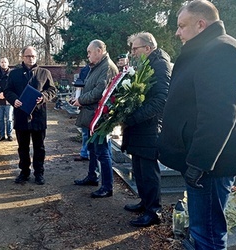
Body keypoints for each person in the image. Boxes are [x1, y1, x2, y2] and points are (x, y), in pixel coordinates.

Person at [158, 1, 236, 249]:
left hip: (210, 165)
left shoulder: (222, 50)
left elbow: (219, 114)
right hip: (205, 161)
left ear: (201, 24)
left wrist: (199, 162)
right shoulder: (209, 48)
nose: (177, 32)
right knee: (202, 230)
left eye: (181, 26)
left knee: (208, 232)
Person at [122, 32, 171, 227]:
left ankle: (154, 211)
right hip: (138, 126)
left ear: (148, 48)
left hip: (149, 127)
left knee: (149, 171)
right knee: (139, 169)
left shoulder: (160, 65)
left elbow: (161, 100)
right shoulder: (144, 64)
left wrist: (133, 117)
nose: (132, 52)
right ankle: (145, 202)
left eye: (135, 49)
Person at [4, 46, 56, 185]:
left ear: (36, 57)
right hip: (21, 115)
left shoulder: (44, 73)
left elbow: (52, 89)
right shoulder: (14, 74)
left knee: (39, 147)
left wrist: (44, 97)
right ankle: (24, 172)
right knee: (23, 147)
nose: (30, 58)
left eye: (33, 56)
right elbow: (8, 90)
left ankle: (39, 173)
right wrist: (14, 99)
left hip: (38, 115)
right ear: (22, 57)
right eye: (28, 56)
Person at [73, 39, 118, 198]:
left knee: (102, 152)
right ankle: (93, 176)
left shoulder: (107, 68)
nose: (88, 55)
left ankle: (107, 186)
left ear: (99, 51)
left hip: (100, 117)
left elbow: (100, 92)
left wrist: (81, 100)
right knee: (92, 149)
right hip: (91, 115)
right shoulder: (98, 66)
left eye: (90, 52)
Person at [73, 64, 91, 162]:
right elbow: (79, 86)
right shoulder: (85, 69)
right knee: (85, 132)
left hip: (94, 105)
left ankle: (89, 153)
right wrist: (77, 98)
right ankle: (84, 153)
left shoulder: (103, 68)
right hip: (84, 104)